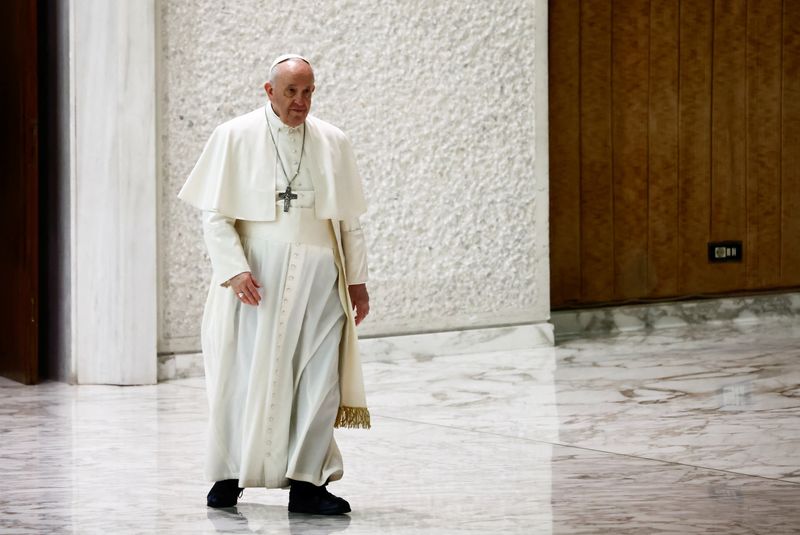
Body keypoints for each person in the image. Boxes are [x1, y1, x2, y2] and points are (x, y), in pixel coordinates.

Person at [178, 53, 371, 515]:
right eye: (291, 91)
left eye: (308, 91)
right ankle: (227, 476)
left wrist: (358, 283)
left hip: (322, 279)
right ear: (269, 91)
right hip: (256, 281)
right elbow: (216, 215)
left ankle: (309, 484)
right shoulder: (234, 135)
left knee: (319, 381)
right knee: (240, 375)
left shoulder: (333, 141)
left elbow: (348, 222)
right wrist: (235, 268)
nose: (300, 101)